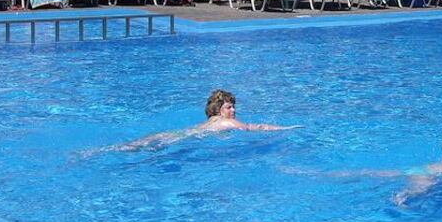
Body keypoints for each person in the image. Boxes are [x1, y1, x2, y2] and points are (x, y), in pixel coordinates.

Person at [92, 89, 301, 153]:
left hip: (176, 134)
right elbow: (252, 128)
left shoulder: (211, 122)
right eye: (229, 107)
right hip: (178, 139)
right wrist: (286, 128)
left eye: (233, 106)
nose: (234, 110)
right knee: (140, 152)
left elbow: (253, 126)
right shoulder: (228, 123)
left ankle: (95, 151)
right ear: (218, 110)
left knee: (130, 147)